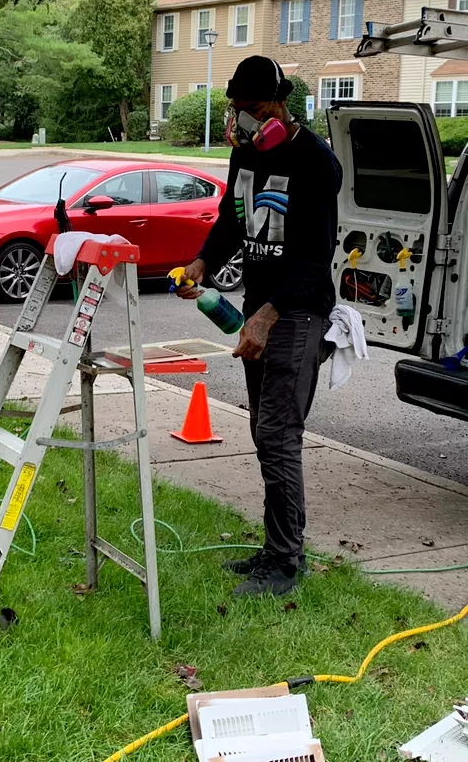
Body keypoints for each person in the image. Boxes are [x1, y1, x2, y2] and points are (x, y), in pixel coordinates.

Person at [176, 56, 342, 597]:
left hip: (297, 312)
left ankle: (286, 564)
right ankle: (274, 548)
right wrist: (204, 260)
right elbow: (231, 217)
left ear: (277, 105)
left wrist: (268, 316)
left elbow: (316, 259)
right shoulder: (244, 155)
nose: (241, 121)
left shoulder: (316, 163)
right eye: (235, 110)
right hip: (260, 310)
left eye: (250, 110)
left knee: (277, 433)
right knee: (262, 433)